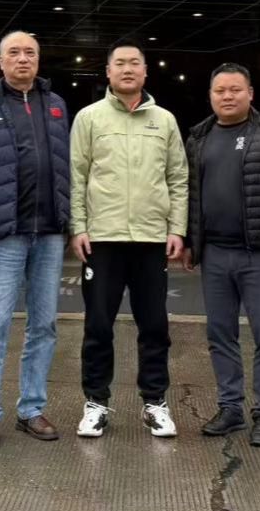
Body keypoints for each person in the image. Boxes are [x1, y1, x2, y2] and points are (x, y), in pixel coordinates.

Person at [70, 40, 188, 439]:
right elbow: (77, 176)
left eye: (134, 63)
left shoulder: (165, 121)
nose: (127, 69)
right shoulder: (89, 118)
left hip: (152, 239)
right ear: (108, 71)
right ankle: (95, 403)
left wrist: (176, 228)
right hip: (102, 239)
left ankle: (155, 403)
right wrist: (78, 226)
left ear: (145, 71)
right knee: (98, 325)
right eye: (119, 63)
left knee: (154, 325)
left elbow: (178, 178)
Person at [183, 63, 260, 448]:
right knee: (220, 334)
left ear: (250, 93)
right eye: (220, 90)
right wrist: (190, 241)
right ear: (210, 95)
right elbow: (189, 194)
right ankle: (230, 407)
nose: (227, 96)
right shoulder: (198, 138)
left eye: (235, 89)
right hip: (215, 254)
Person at [0, 31, 71, 450]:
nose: (22, 59)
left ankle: (31, 409)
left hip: (49, 234)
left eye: (30, 53)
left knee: (44, 325)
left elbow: (68, 167)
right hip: (3, 234)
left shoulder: (57, 105)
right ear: (1, 61)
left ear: (38, 60)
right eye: (14, 52)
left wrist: (69, 221)